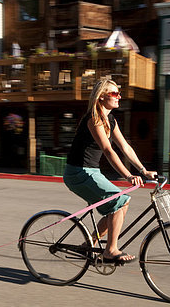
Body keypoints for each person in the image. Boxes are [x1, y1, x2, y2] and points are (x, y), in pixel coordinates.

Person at [63, 79, 156, 264]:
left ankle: (89, 244)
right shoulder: (94, 119)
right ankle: (110, 250)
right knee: (119, 201)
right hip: (78, 173)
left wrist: (143, 170)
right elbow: (108, 150)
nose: (119, 96)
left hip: (92, 172)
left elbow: (125, 147)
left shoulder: (110, 119)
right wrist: (128, 175)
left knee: (123, 203)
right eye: (115, 93)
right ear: (102, 96)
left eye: (118, 93)